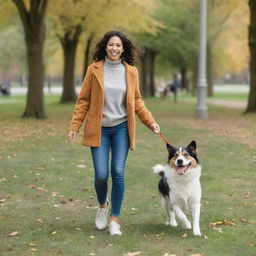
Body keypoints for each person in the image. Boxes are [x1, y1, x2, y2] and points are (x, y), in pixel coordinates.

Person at [68, 31, 160, 236]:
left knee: (117, 173)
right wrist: (75, 126)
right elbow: (83, 100)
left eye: (118, 45)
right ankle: (102, 205)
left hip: (121, 129)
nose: (115, 49)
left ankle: (114, 220)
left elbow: (136, 100)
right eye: (111, 45)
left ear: (123, 48)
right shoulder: (94, 70)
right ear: (105, 47)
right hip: (99, 129)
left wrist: (150, 122)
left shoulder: (131, 71)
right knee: (101, 175)